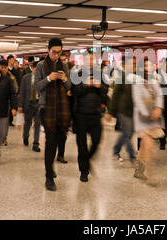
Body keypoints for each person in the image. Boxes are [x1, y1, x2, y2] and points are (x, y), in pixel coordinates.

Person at [35, 38, 71, 191]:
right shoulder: (41, 65)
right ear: (48, 50)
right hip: (46, 109)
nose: (57, 55)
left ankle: (50, 168)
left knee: (59, 139)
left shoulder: (64, 66)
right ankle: (49, 176)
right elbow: (36, 86)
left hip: (62, 109)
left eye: (59, 52)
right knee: (50, 142)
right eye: (54, 52)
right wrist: (49, 78)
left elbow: (70, 87)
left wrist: (64, 79)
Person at [72, 52, 108, 182]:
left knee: (97, 141)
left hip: (96, 114)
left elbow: (106, 91)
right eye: (88, 60)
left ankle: (86, 159)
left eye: (93, 60)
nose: (91, 62)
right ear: (84, 61)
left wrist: (99, 86)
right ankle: (84, 171)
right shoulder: (77, 74)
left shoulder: (101, 74)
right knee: (81, 145)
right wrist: (87, 85)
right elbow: (75, 91)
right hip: (80, 114)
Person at [132, 58, 164, 185]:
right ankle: (150, 172)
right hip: (142, 116)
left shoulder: (154, 79)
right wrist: (147, 113)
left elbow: (159, 95)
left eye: (150, 65)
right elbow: (137, 99)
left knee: (145, 145)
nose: (148, 68)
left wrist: (158, 108)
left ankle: (139, 169)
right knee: (148, 143)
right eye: (145, 66)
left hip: (153, 114)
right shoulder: (136, 81)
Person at [107, 56, 136, 164]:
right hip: (123, 110)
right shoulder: (121, 77)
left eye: (133, 64)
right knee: (128, 132)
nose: (132, 66)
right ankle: (132, 156)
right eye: (129, 64)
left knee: (127, 133)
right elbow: (115, 95)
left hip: (133, 110)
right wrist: (111, 112)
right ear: (123, 65)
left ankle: (116, 149)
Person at [18, 61, 41, 152]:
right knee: (27, 123)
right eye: (35, 68)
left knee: (37, 124)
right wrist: (20, 105)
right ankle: (25, 136)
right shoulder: (25, 78)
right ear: (32, 68)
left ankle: (36, 143)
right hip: (28, 104)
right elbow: (22, 92)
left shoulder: (42, 78)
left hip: (38, 104)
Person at [0, 59, 19, 146]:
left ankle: (4, 138)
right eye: (2, 67)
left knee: (5, 123)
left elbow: (14, 91)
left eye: (5, 67)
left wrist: (14, 107)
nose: (3, 69)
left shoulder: (11, 78)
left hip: (6, 104)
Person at [7, 55, 22, 126]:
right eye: (12, 59)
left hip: (14, 91)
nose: (13, 61)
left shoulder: (16, 71)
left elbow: (19, 81)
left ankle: (10, 120)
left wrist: (18, 91)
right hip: (6, 91)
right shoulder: (5, 70)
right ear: (9, 60)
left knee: (13, 105)